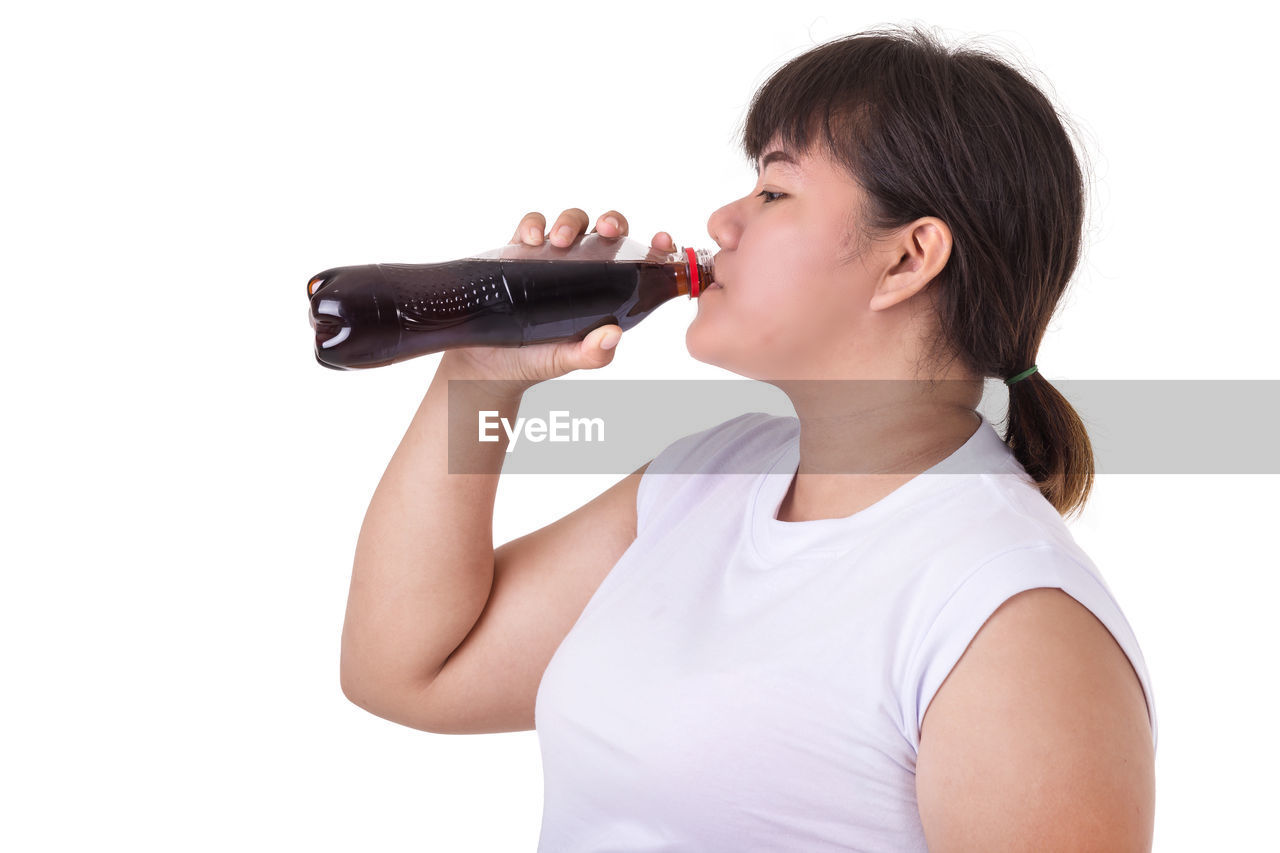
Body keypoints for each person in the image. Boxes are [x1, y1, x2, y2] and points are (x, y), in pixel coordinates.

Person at [339, 24, 1157, 852]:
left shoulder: (1013, 619)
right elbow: (408, 671)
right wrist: (480, 375)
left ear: (908, 260)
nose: (722, 222)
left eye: (773, 191)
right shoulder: (708, 476)